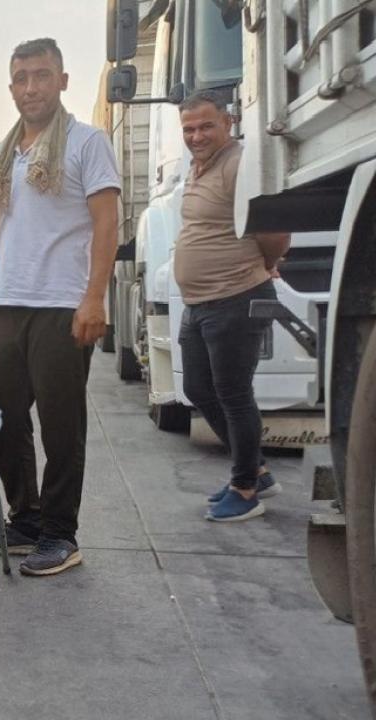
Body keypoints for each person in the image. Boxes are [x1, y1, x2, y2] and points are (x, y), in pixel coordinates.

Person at [0, 38, 120, 576]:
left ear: (62, 81)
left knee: (61, 425)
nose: (31, 88)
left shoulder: (87, 143)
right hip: (11, 304)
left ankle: (60, 534)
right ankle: (26, 519)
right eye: (22, 78)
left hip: (62, 305)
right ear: (11, 88)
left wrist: (94, 297)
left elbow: (107, 222)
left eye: (42, 75)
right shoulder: (8, 154)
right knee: (1, 419)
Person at [172, 91, 288, 522]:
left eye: (206, 126)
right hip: (200, 303)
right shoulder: (198, 168)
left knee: (235, 395)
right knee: (198, 389)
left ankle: (245, 490)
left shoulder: (239, 164)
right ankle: (256, 470)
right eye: (189, 129)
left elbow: (275, 231)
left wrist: (266, 266)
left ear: (228, 122)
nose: (197, 136)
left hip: (237, 298)